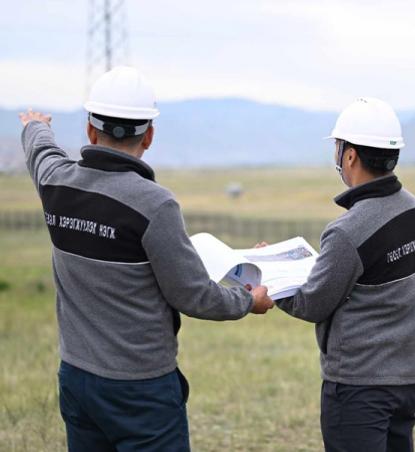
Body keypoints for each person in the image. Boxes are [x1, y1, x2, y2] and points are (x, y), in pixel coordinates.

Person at [18, 66, 274, 452]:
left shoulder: (55, 182)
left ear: (90, 130)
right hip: (140, 387)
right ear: (149, 135)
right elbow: (193, 296)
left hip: (76, 376)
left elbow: (41, 151)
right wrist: (248, 300)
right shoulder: (155, 205)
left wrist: (35, 126)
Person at [276, 97, 415, 452]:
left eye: (338, 148)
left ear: (349, 156)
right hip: (407, 381)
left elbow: (312, 304)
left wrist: (269, 283)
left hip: (358, 387)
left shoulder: (347, 231)